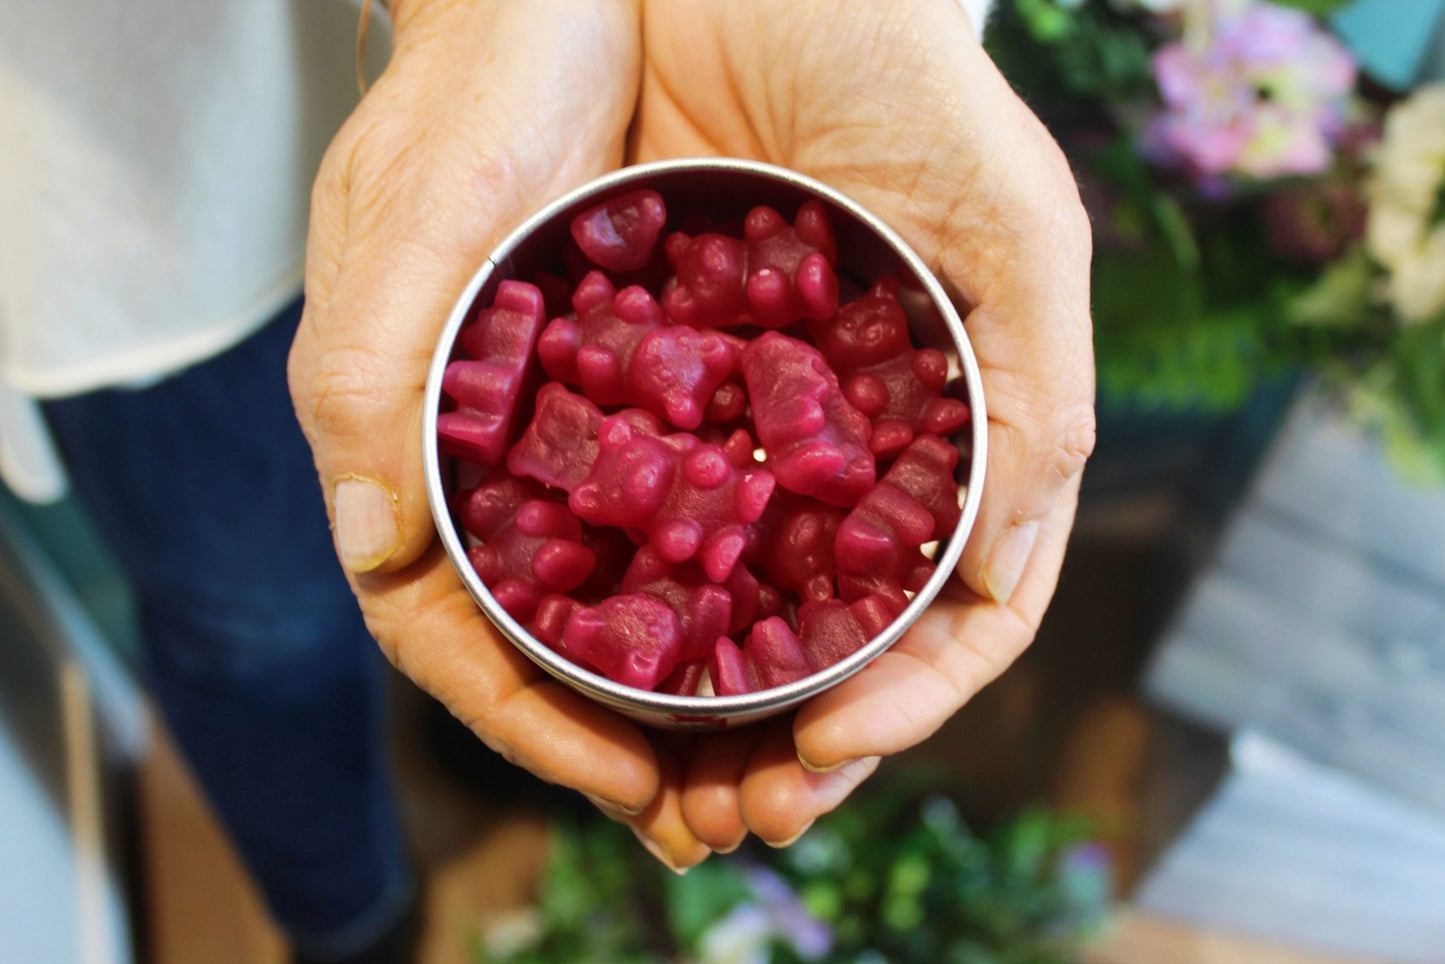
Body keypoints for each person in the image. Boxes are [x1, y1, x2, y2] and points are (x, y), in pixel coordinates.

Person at [2, 0, 1093, 959]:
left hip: (489, 124)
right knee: (254, 621)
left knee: (441, 624)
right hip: (129, 205)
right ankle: (344, 914)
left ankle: (459, 768)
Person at [289, 0, 1094, 872]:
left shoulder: (773, 440)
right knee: (260, 619)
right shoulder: (628, 431)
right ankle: (348, 897)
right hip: (301, 131)